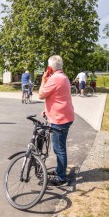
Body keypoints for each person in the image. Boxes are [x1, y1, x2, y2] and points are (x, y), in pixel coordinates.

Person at [38, 55, 74, 186]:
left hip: (60, 119)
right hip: (65, 115)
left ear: (49, 68)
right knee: (60, 147)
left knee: (59, 149)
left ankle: (61, 178)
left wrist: (43, 80)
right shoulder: (64, 77)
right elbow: (59, 98)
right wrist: (48, 111)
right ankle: (60, 171)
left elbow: (41, 95)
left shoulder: (54, 79)